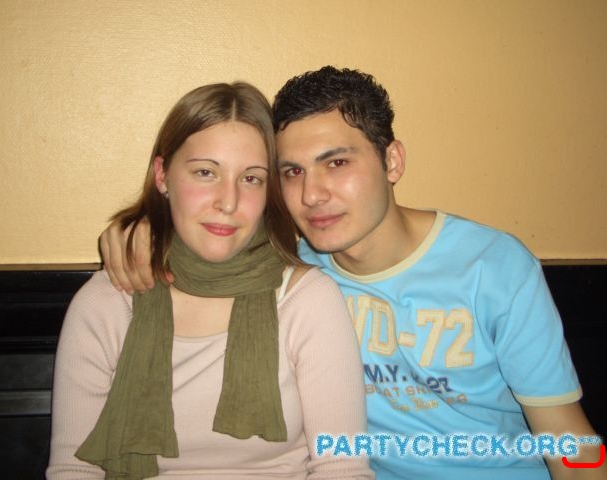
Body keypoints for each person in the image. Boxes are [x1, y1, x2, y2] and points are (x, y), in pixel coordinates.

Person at [98, 68, 606, 480]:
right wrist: (141, 229)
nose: (312, 194)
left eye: (337, 163)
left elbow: (571, 441)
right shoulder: (291, 269)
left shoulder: (493, 267)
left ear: (392, 160)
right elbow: (206, 235)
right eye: (292, 172)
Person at [47, 81, 374, 479]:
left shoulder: (307, 300)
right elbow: (74, 469)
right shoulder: (108, 302)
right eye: (205, 172)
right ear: (162, 175)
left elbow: (342, 465)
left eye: (251, 178)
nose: (228, 202)